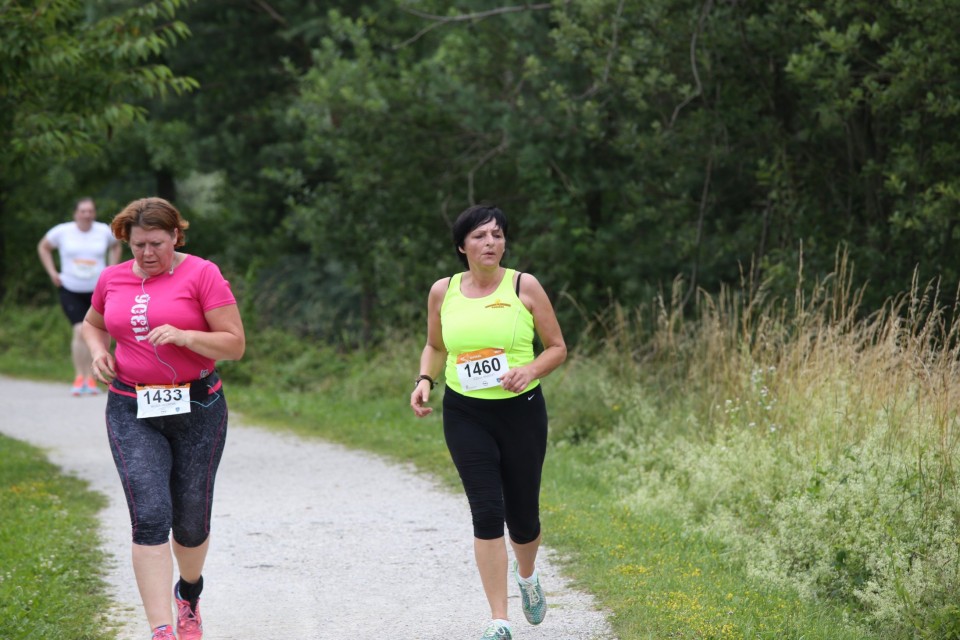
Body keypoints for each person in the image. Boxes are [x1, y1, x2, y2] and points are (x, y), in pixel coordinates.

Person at [82, 197, 245, 640]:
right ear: (126, 243)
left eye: (157, 243)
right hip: (131, 407)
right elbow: (92, 323)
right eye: (138, 245)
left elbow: (234, 344)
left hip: (198, 406)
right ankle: (161, 630)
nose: (148, 253)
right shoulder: (112, 278)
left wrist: (186, 335)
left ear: (176, 235)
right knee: (151, 515)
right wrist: (98, 352)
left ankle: (188, 596)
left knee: (191, 522)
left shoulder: (202, 274)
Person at [410, 204, 567, 640]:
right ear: (462, 246)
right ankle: (499, 621)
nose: (490, 243)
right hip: (465, 412)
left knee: (523, 518)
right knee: (486, 511)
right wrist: (425, 379)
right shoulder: (444, 291)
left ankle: (528, 576)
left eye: (497, 235)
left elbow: (556, 347)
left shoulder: (524, 285)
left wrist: (529, 370)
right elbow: (435, 345)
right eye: (480, 236)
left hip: (521, 412)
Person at [38, 197, 122, 395]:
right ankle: (80, 376)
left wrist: (111, 268)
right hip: (71, 288)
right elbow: (43, 247)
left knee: (99, 332)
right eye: (83, 211)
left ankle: (93, 378)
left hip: (97, 290)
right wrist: (52, 272)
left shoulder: (103, 230)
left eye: (90, 211)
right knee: (79, 330)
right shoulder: (62, 231)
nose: (87, 214)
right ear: (76, 213)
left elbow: (116, 245)